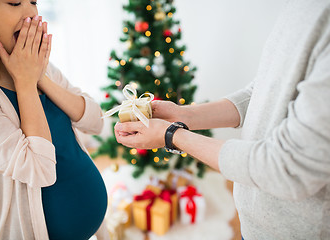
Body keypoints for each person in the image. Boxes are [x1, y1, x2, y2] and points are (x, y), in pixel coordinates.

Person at [115, 0, 330, 239]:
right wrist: (185, 115)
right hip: (256, 226)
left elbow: (290, 168)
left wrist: (171, 135)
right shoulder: (300, 6)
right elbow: (264, 91)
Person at [0, 0, 108, 239]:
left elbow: (96, 121)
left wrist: (39, 77)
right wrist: (25, 82)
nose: (31, 13)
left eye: (34, 2)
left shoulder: (40, 67)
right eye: (14, 2)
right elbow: (40, 169)